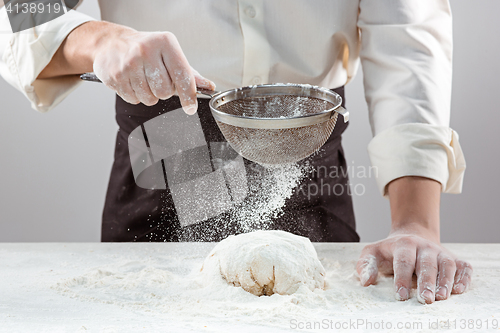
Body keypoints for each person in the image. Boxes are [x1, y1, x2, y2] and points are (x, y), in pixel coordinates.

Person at [0, 0, 472, 304]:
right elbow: (20, 8)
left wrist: (414, 223)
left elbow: (408, 35)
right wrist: (99, 38)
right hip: (168, 142)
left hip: (303, 145)